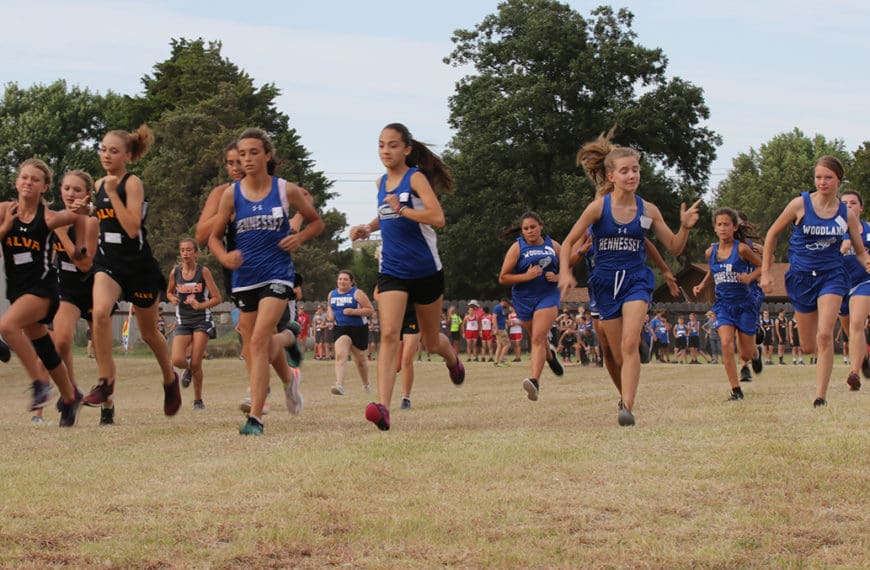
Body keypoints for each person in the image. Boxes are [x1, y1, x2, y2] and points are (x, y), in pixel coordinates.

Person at [559, 129, 701, 426]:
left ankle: (627, 407)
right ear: (611, 176)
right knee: (612, 351)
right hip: (604, 283)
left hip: (637, 280)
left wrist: (684, 227)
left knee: (628, 343)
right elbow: (570, 242)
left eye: (635, 169)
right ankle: (623, 393)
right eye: (625, 171)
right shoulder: (599, 207)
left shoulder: (648, 209)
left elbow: (674, 246)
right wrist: (565, 271)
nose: (632, 175)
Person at [349, 122, 465, 431]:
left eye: (393, 145)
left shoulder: (416, 179)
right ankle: (383, 407)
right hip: (392, 271)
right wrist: (367, 228)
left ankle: (452, 358)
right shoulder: (381, 183)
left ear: (407, 149)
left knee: (430, 342)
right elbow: (386, 213)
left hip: (426, 270)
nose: (386, 151)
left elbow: (437, 217)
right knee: (389, 334)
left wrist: (402, 210)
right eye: (381, 145)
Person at [209, 127, 323, 435]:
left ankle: (256, 418)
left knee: (258, 340)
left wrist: (298, 237)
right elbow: (213, 237)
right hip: (245, 278)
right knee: (253, 346)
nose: (246, 159)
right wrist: (224, 257)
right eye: (242, 154)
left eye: (253, 153)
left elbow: (316, 221)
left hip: (277, 275)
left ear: (267, 155)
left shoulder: (285, 189)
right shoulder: (231, 194)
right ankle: (290, 378)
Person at [81, 125, 181, 422]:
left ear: (127, 155)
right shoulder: (98, 184)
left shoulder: (131, 182)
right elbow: (101, 220)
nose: (106, 155)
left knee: (149, 332)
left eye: (113, 151)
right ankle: (105, 382)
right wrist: (85, 210)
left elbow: (132, 226)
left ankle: (169, 379)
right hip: (108, 263)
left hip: (137, 266)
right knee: (99, 313)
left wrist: (113, 193)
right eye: (103, 149)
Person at [760, 155, 870, 408]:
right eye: (818, 177)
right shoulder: (800, 204)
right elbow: (772, 234)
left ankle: (820, 396)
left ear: (838, 180)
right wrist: (766, 271)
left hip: (831, 276)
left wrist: (866, 261)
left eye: (828, 178)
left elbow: (860, 249)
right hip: (800, 278)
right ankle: (821, 360)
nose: (822, 182)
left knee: (824, 335)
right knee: (809, 346)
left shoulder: (846, 215)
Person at [0, 158, 87, 426]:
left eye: (35, 179)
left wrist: (80, 246)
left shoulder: (48, 217)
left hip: (43, 290)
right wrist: (4, 229)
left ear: (45, 187)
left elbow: (79, 217)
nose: (28, 182)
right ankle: (71, 397)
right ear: (16, 182)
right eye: (24, 177)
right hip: (18, 290)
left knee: (6, 326)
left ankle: (40, 384)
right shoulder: (4, 210)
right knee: (47, 351)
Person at [693, 208, 763, 401]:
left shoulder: (742, 249)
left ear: (734, 227)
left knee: (746, 353)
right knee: (725, 343)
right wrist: (701, 285)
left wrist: (749, 277)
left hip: (745, 304)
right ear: (715, 228)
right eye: (719, 224)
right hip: (723, 305)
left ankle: (756, 353)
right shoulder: (711, 252)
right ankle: (736, 390)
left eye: (726, 224)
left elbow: (761, 266)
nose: (723, 228)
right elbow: (713, 271)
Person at [49, 170, 100, 422]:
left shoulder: (90, 220)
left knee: (101, 348)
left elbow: (84, 264)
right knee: (61, 341)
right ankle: (70, 394)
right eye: (66, 188)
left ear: (87, 195)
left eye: (77, 190)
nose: (71, 194)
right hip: (66, 289)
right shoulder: (55, 217)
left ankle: (107, 400)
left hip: (94, 287)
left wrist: (60, 233)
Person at [498, 212, 566, 400]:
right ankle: (550, 357)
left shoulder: (554, 246)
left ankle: (534, 382)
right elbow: (503, 277)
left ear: (540, 226)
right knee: (539, 339)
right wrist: (526, 276)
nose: (530, 231)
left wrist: (559, 277)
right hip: (524, 299)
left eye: (533, 227)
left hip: (548, 296)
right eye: (526, 228)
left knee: (537, 337)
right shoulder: (517, 248)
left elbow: (568, 270)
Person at [167, 238, 221, 410]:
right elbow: (168, 292)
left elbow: (217, 298)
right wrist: (172, 298)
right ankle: (188, 369)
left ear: (196, 253)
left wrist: (201, 305)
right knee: (176, 359)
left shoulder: (203, 272)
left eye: (189, 250)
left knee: (197, 362)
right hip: (183, 320)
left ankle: (198, 400)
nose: (185, 253)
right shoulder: (175, 272)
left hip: (201, 320)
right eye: (183, 250)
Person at [838, 189, 870, 391]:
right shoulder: (832, 232)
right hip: (839, 285)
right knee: (850, 331)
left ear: (861, 207)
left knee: (857, 323)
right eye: (845, 203)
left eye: (853, 203)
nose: (849, 206)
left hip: (864, 282)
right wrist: (843, 247)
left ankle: (854, 373)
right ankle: (864, 357)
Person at [327, 270, 373, 395]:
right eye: (340, 279)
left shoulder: (357, 293)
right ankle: (339, 385)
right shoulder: (332, 294)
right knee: (340, 355)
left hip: (358, 329)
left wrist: (353, 312)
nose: (342, 281)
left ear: (351, 282)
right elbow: (329, 306)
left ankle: (366, 384)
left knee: (360, 361)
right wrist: (330, 315)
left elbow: (370, 310)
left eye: (345, 279)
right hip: (341, 328)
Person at [492, 298, 510, 366]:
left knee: (500, 345)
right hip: (500, 329)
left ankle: (496, 362)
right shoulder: (498, 307)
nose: (507, 305)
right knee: (507, 344)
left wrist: (506, 321)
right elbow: (494, 318)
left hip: (500, 328)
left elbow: (500, 318)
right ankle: (501, 360)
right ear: (503, 302)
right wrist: (496, 328)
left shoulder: (501, 308)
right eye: (507, 303)